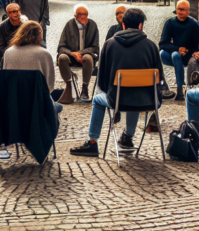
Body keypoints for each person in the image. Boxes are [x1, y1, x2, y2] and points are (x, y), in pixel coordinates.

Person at [70, 8, 163, 157]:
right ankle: (128, 137)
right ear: (140, 26)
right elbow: (160, 79)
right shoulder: (151, 46)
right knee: (135, 93)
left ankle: (92, 142)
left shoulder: (109, 44)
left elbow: (102, 81)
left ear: (124, 25)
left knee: (98, 99)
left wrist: (113, 92)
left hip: (118, 101)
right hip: (148, 101)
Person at [3, 21, 62, 114]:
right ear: (39, 34)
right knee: (59, 107)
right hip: (36, 101)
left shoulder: (8, 52)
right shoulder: (44, 54)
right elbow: (49, 85)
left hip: (12, 99)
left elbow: (5, 76)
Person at [56, 4, 100, 104]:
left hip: (87, 55)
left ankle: (85, 88)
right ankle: (68, 86)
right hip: (71, 56)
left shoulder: (92, 25)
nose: (83, 17)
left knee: (88, 58)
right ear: (75, 15)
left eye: (85, 14)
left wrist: (80, 53)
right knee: (62, 57)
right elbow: (61, 47)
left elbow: (95, 48)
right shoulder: (69, 25)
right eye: (80, 14)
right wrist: (72, 53)